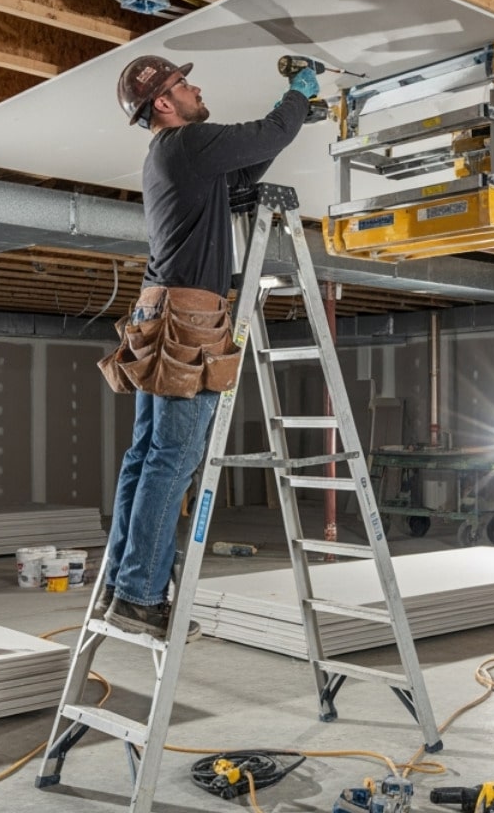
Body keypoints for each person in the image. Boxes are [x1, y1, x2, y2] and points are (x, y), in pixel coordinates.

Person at [93, 54, 317, 640]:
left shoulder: (173, 156)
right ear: (164, 104)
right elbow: (265, 134)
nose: (195, 89)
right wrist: (296, 97)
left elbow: (244, 170)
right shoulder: (187, 144)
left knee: (147, 456)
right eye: (183, 84)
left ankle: (123, 585)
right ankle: (141, 597)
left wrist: (293, 119)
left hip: (158, 313)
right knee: (173, 459)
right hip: (186, 321)